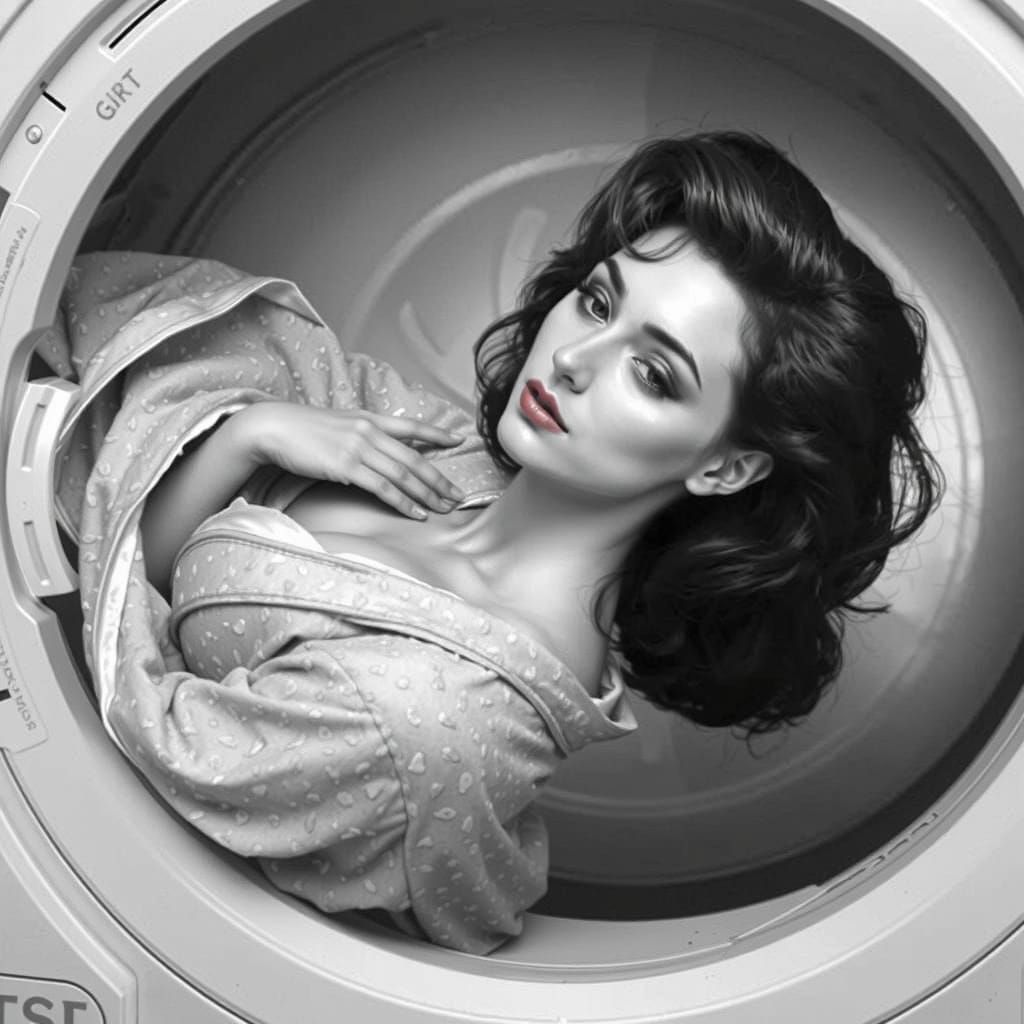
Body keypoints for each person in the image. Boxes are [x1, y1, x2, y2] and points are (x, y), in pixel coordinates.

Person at [54, 131, 941, 955]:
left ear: (725, 469)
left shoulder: (439, 722)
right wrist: (252, 434)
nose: (573, 360)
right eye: (598, 302)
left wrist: (240, 442)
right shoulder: (454, 459)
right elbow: (183, 477)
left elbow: (142, 749)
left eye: (654, 373)